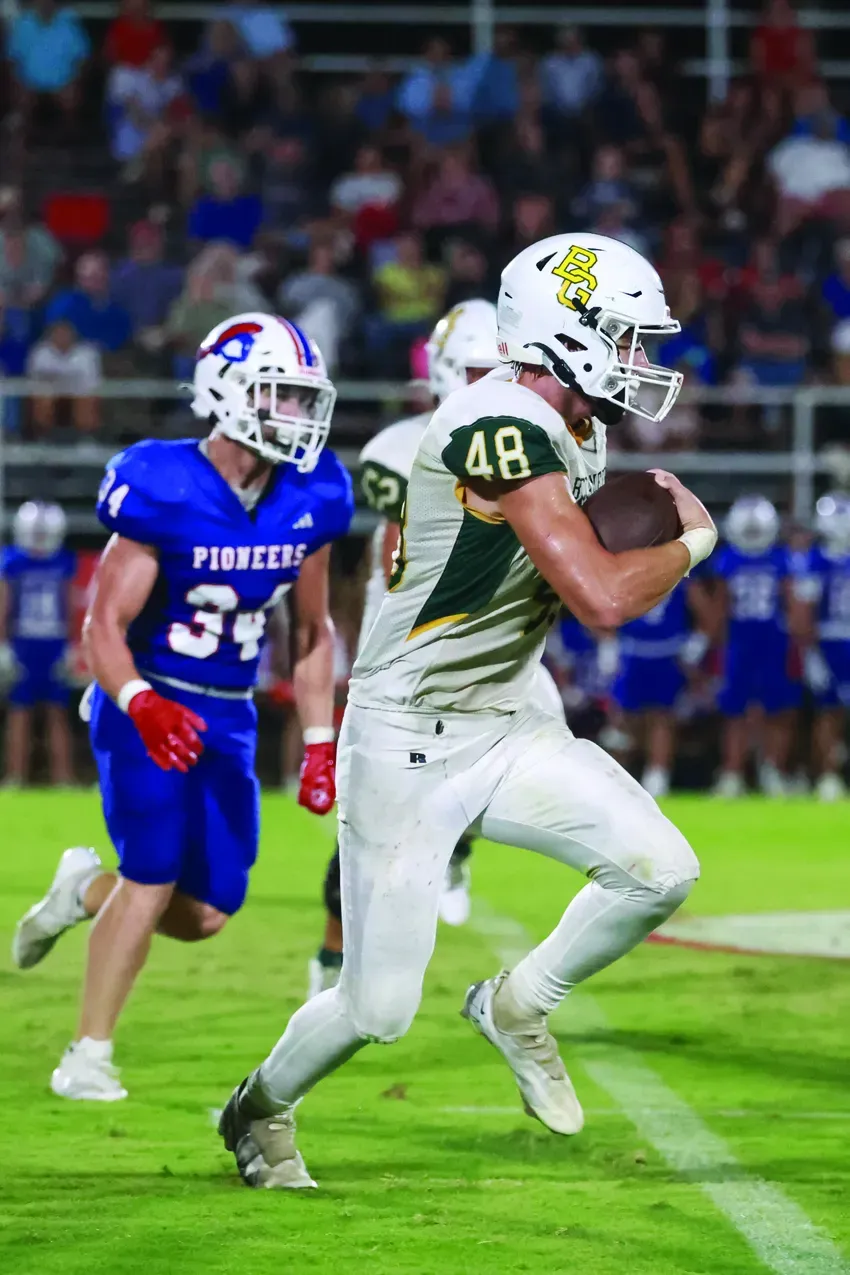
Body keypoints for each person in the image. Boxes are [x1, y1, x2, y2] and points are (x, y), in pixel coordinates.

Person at [218, 232, 716, 1190]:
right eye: (625, 338)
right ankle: (260, 1104)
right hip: (406, 734)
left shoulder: (578, 424)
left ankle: (518, 1002)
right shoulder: (498, 422)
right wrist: (693, 541)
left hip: (505, 717)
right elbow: (601, 597)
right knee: (376, 1009)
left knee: (660, 870)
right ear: (568, 332)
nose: (639, 360)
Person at [11, 313, 354, 1102]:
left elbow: (311, 629)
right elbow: (103, 626)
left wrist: (319, 740)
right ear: (227, 393)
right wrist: (139, 702)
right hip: (148, 697)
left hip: (229, 711)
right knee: (152, 873)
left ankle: (80, 892)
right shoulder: (162, 482)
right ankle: (87, 1055)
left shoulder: (312, 491)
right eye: (281, 394)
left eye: (303, 397)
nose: (298, 414)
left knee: (205, 913)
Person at [307, 299, 502, 1000]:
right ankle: (331, 963)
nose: (494, 386)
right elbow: (396, 562)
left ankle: (457, 846)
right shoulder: (398, 451)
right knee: (368, 824)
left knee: (531, 739)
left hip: (488, 648)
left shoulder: (531, 443)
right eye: (479, 371)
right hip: (401, 652)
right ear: (446, 372)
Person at [706, 495, 803, 797]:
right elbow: (722, 606)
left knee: (775, 711)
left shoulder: (772, 559)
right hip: (745, 642)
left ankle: (769, 770)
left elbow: (791, 604)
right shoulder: (768, 558)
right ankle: (734, 772)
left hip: (768, 642)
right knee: (737, 713)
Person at [610, 582, 712, 799]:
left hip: (666, 652)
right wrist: (607, 642)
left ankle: (657, 775)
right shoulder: (627, 573)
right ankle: (616, 775)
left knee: (662, 717)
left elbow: (706, 611)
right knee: (623, 719)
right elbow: (602, 606)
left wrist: (697, 643)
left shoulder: (681, 576)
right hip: (632, 652)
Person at [0, 502, 76, 786]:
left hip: (51, 643)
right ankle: (16, 776)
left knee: (56, 712)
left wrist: (72, 645)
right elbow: (4, 606)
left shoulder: (61, 561)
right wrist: (4, 645)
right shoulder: (12, 561)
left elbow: (69, 606)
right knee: (21, 712)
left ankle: (62, 778)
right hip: (25, 644)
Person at [794, 493, 850, 801]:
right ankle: (827, 775)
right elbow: (804, 613)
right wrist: (811, 653)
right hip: (829, 642)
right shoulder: (815, 561)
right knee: (828, 712)